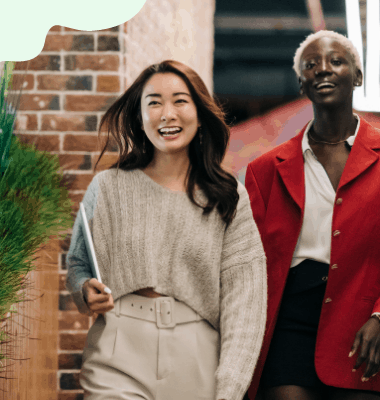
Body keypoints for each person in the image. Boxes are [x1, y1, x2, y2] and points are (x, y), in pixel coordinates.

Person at [243, 30, 380, 400]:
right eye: (311, 65)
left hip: (365, 325)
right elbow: (250, 263)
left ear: (357, 77)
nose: (322, 70)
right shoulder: (264, 169)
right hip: (287, 324)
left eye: (336, 61)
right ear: (302, 83)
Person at [65, 60, 267, 400]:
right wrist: (85, 290)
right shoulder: (108, 187)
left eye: (180, 101)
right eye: (154, 102)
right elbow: (78, 264)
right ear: (140, 117)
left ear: (199, 113)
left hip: (198, 359)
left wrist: (230, 386)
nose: (166, 113)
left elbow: (245, 303)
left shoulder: (228, 197)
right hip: (118, 349)